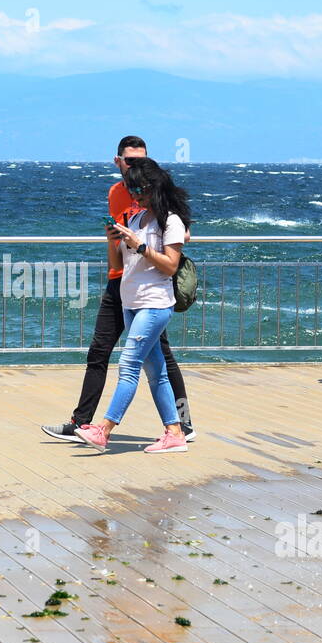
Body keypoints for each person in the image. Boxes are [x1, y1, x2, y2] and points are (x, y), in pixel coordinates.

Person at [42, 136, 195, 443]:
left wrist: (144, 244)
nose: (135, 168)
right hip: (123, 285)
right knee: (101, 351)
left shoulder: (163, 206)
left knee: (147, 361)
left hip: (152, 292)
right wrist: (113, 237)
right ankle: (81, 422)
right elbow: (119, 247)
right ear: (118, 162)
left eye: (141, 161)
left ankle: (176, 425)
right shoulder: (119, 194)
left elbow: (176, 243)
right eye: (130, 162)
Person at [74, 158, 190, 454]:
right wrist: (113, 240)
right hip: (131, 304)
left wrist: (139, 245)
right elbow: (117, 265)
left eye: (139, 190)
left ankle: (105, 429)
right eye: (131, 190)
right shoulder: (136, 219)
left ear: (154, 187)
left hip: (155, 304)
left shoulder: (171, 222)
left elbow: (170, 266)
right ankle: (174, 433)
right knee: (157, 372)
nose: (135, 196)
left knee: (128, 365)